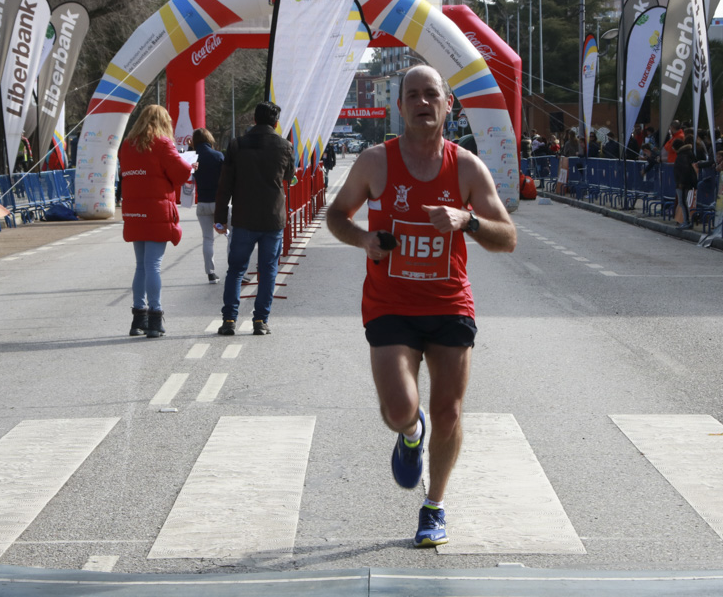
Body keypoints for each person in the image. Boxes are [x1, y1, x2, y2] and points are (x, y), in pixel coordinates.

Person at [325, 65, 516, 547]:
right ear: (400, 106)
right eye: (413, 95)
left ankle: (434, 507)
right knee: (398, 408)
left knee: (449, 413)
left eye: (432, 94)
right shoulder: (375, 162)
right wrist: (364, 239)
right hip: (390, 303)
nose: (422, 102)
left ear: (448, 104)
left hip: (449, 303)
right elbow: (335, 215)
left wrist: (466, 221)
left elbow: (507, 238)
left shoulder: (467, 168)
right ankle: (410, 434)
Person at [214, 101, 295, 336]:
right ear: (276, 122)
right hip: (272, 219)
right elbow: (289, 175)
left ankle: (229, 319)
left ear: (254, 120)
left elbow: (225, 185)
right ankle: (260, 320)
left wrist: (220, 218)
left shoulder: (237, 145)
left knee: (236, 270)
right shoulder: (285, 146)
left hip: (243, 218)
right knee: (268, 270)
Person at [119, 104, 193, 338]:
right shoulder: (162, 144)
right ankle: (155, 317)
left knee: (141, 266)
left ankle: (138, 318)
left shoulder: (127, 146)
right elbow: (180, 173)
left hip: (134, 212)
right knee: (153, 266)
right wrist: (191, 165)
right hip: (156, 212)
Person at [191, 128, 224, 284]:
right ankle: (235, 270)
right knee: (231, 234)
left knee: (207, 238)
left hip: (202, 203)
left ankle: (210, 273)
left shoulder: (193, 158)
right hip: (219, 203)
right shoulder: (218, 156)